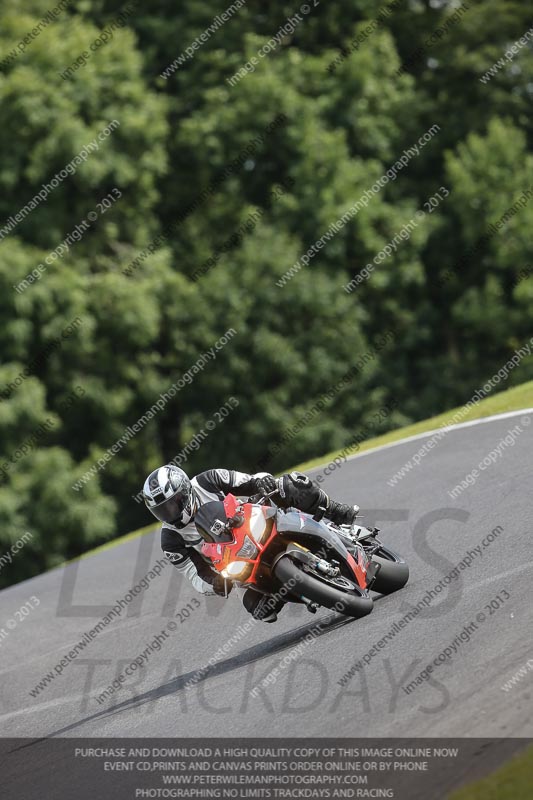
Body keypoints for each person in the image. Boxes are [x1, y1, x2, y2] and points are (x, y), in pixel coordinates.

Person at [142, 466, 359, 622]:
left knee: (289, 485)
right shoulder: (170, 540)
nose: (169, 513)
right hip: (239, 563)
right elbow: (194, 574)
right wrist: (215, 583)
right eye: (162, 510)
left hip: (259, 519)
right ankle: (304, 589)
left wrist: (262, 482)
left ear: (185, 492)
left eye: (172, 505)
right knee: (260, 611)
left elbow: (249, 480)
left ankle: (336, 511)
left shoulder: (209, 480)